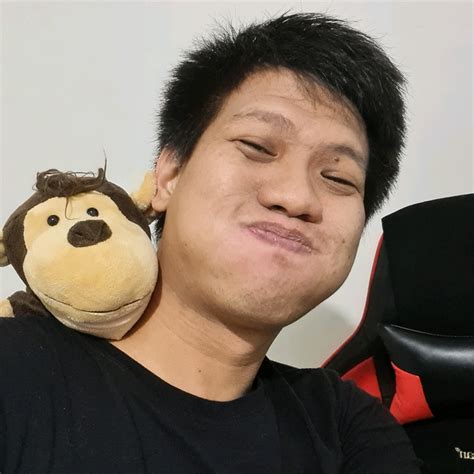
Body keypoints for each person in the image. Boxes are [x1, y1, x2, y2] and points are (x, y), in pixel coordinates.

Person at [0, 12, 421, 473]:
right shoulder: (16, 369)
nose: (296, 196)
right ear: (168, 175)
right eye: (257, 147)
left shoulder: (347, 429)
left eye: (337, 177)